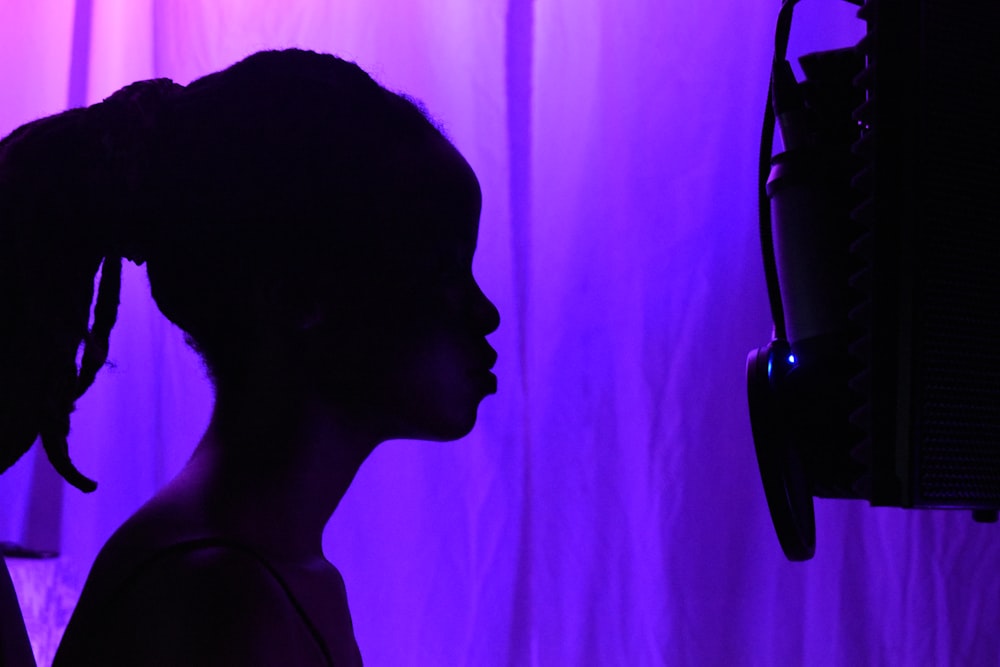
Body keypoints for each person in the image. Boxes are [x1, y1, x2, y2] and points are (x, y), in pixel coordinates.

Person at [0, 48, 499, 665]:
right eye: (446, 270)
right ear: (299, 298)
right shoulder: (221, 598)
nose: (485, 314)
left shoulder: (268, 575)